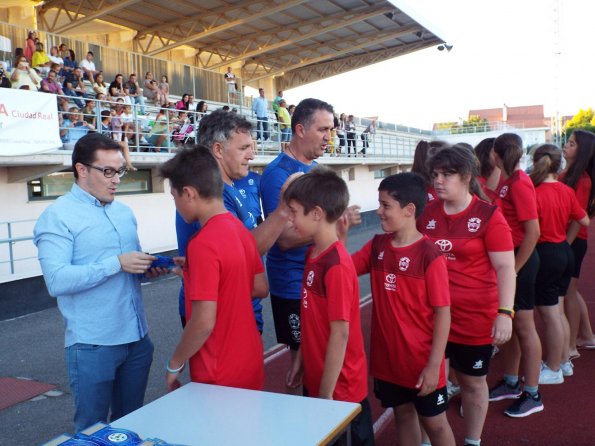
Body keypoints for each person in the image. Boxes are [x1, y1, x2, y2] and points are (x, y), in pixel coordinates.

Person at [33, 133, 158, 432]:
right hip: (92, 345)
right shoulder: (57, 217)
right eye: (108, 171)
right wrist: (116, 264)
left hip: (137, 340)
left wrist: (145, 267)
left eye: (120, 171)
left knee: (130, 426)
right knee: (92, 430)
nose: (116, 179)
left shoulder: (124, 212)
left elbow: (129, 265)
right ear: (82, 169)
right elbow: (56, 280)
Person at [418, 146, 515, 446]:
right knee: (430, 380)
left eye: (447, 175)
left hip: (473, 318)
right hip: (431, 316)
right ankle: (427, 440)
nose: (438, 181)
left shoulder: (488, 216)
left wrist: (505, 313)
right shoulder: (427, 213)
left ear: (468, 176)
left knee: (473, 383)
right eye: (435, 174)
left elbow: (505, 267)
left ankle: (473, 441)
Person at [350, 172, 455, 446]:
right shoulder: (377, 246)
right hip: (389, 362)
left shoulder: (429, 256)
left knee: (435, 423)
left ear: (409, 210)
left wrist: (435, 365)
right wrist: (337, 234)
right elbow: (343, 270)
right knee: (403, 415)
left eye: (386, 206)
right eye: (379, 204)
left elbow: (443, 312)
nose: (379, 212)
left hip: (421, 362)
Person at [261, 98, 360, 373]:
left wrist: (338, 229)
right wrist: (333, 225)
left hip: (320, 277)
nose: (329, 137)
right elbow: (283, 237)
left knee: (326, 353)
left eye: (331, 130)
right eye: (323, 130)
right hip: (293, 284)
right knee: (302, 364)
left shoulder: (314, 171)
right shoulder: (278, 174)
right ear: (301, 130)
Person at [161, 145, 268, 392]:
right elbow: (260, 287)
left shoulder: (201, 244)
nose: (176, 204)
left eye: (174, 197)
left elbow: (203, 322)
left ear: (188, 193)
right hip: (249, 359)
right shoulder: (241, 229)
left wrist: (175, 363)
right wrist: (195, 273)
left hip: (218, 370)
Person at [175, 110, 291, 331]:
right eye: (244, 148)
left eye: (251, 147)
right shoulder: (206, 195)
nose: (251, 155)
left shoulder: (233, 185)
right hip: (219, 316)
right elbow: (239, 254)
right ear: (218, 149)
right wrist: (284, 210)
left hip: (243, 307)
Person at [285, 168, 374, 446]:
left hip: (340, 387)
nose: (289, 218)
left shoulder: (335, 266)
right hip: (319, 377)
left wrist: (325, 395)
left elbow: (340, 334)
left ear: (317, 214)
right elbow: (311, 316)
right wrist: (300, 358)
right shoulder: (314, 254)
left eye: (294, 212)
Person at [487, 133, 544, 417]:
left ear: (495, 155)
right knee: (511, 324)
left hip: (521, 258)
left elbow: (533, 232)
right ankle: (511, 382)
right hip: (513, 257)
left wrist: (514, 271)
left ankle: (533, 393)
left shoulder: (520, 183)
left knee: (524, 326)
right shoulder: (510, 181)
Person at [529, 144, 589, 385]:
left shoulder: (534, 192)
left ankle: (553, 367)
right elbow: (584, 219)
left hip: (546, 253)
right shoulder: (565, 190)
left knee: (550, 313)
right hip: (564, 250)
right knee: (557, 311)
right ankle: (563, 361)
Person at [560, 130, 595, 356]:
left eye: (571, 144)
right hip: (566, 241)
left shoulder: (581, 180)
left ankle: (571, 345)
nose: (565, 146)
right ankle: (586, 335)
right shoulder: (567, 174)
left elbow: (578, 216)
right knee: (571, 291)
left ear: (581, 152)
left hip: (571, 241)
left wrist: (564, 245)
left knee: (568, 293)